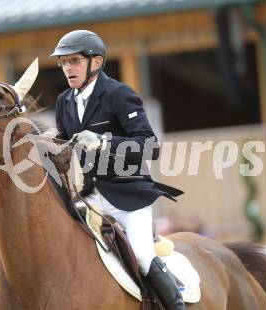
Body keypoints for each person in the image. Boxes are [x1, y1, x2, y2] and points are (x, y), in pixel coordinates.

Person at [50, 29, 185, 310]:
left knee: (143, 257)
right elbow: (63, 145)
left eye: (74, 61)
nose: (67, 68)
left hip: (128, 196)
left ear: (96, 62)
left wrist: (104, 142)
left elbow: (149, 146)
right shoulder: (64, 102)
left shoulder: (118, 94)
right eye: (63, 62)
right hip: (91, 197)